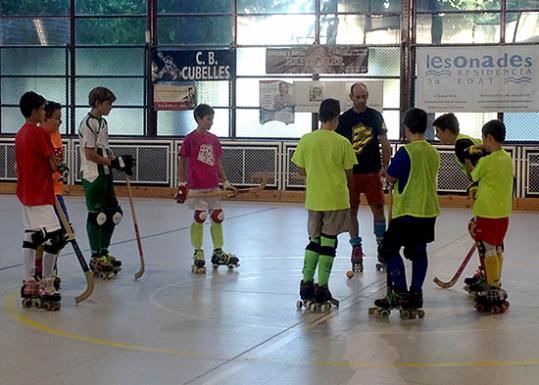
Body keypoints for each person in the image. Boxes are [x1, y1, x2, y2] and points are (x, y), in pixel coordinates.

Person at [373, 108, 440, 317]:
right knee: (418, 252)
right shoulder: (433, 152)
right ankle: (415, 293)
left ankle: (400, 292)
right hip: (428, 211)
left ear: (406, 127)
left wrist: (385, 173)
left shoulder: (405, 152)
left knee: (388, 250)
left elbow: (391, 178)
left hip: (407, 212)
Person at [291, 98, 357, 311]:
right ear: (337, 118)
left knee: (314, 241)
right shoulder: (342, 143)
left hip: (314, 199)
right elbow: (349, 173)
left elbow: (300, 169)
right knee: (329, 243)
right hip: (336, 199)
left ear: (320, 116)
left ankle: (306, 284)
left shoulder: (306, 140)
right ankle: (322, 287)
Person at [15, 91, 66, 310]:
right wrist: (59, 167)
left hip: (25, 193)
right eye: (42, 109)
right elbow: (53, 164)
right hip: (41, 193)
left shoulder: (20, 134)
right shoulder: (38, 134)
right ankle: (46, 282)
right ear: (35, 111)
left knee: (32, 236)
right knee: (55, 238)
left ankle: (29, 282)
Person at [176, 104, 239, 274]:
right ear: (199, 119)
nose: (211, 122)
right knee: (201, 216)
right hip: (196, 186)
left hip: (212, 185)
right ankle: (198, 252)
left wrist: (225, 183)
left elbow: (217, 163)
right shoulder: (190, 139)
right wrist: (182, 184)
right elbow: (182, 160)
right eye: (208, 119)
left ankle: (218, 252)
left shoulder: (213, 139)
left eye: (212, 119)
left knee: (218, 216)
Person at [78, 87, 134, 279]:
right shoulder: (88, 124)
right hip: (93, 175)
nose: (110, 107)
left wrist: (118, 162)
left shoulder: (103, 122)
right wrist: (112, 162)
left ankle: (103, 251)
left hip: (106, 173)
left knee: (114, 214)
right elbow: (90, 154)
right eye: (108, 104)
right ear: (97, 103)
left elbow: (104, 149)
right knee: (98, 216)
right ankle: (95, 257)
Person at [336, 82, 391, 272]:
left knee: (377, 208)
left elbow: (384, 143)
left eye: (364, 97)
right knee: (351, 211)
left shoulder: (375, 116)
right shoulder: (343, 120)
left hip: (371, 172)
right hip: (351, 173)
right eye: (358, 97)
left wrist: (386, 167)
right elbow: (338, 147)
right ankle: (356, 248)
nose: (361, 100)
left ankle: (382, 247)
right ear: (350, 98)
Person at [433, 113, 486, 290]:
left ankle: (487, 275)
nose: (436, 136)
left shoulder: (461, 145)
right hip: (491, 188)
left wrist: (475, 183)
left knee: (481, 232)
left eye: (438, 131)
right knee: (481, 232)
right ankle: (485, 271)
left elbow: (475, 171)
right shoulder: (465, 140)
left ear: (448, 131)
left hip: (488, 191)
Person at [464, 120, 512, 313]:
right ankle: (495, 282)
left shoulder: (486, 161)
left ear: (489, 138)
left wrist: (467, 158)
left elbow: (473, 176)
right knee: (497, 247)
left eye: (484, 139)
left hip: (486, 212)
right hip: (503, 214)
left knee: (487, 248)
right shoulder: (507, 158)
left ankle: (492, 287)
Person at [34, 101, 69, 283]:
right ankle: (42, 269)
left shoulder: (56, 135)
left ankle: (49, 267)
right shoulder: (38, 136)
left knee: (61, 233)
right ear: (45, 117)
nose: (60, 122)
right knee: (52, 234)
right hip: (45, 194)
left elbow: (55, 162)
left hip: (57, 191)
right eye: (57, 118)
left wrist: (60, 174)